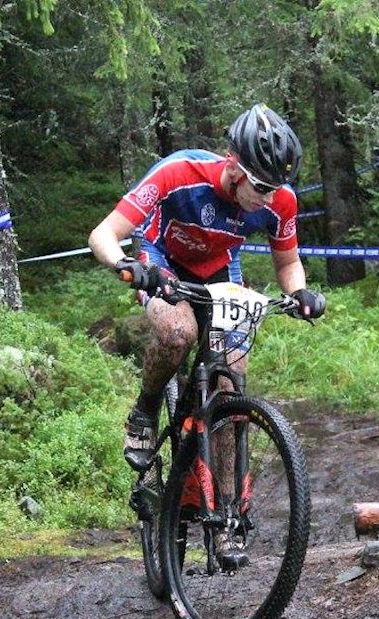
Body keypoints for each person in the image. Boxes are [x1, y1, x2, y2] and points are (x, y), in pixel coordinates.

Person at [88, 103, 325, 567]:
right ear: (233, 166)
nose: (267, 198)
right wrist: (127, 265)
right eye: (260, 187)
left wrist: (299, 293)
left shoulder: (280, 200)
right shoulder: (179, 174)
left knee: (229, 381)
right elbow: (103, 234)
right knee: (179, 332)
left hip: (219, 269)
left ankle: (227, 515)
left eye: (275, 188)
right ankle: (145, 409)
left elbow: (287, 261)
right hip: (161, 260)